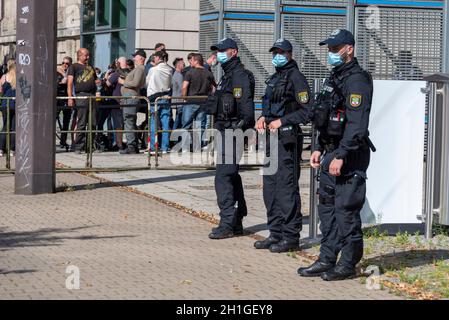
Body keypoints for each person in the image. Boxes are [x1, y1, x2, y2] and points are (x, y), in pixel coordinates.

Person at [297, 29, 375, 281]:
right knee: (327, 209)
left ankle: (349, 263)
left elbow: (356, 124)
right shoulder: (335, 77)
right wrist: (318, 147)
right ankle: (327, 257)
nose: (330, 53)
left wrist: (341, 154)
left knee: (346, 211)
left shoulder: (357, 80)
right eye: (329, 49)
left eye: (334, 49)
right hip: (330, 151)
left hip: (349, 154)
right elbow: (324, 116)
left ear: (349, 49)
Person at [254, 39, 312, 253]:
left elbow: (307, 111)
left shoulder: (296, 77)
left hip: (287, 139)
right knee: (270, 186)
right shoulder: (275, 77)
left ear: (289, 54)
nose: (276, 56)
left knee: (286, 188)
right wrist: (263, 117)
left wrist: (283, 121)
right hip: (271, 138)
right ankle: (275, 233)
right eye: (274, 52)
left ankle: (290, 237)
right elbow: (272, 106)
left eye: (281, 52)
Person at [204, 38, 255, 239]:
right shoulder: (228, 75)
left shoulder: (239, 76)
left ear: (233, 52)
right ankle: (237, 221)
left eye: (222, 51)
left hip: (233, 132)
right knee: (231, 176)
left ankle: (227, 223)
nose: (219, 54)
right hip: (226, 131)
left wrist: (242, 131)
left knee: (223, 177)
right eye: (217, 51)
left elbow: (246, 110)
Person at [67, 48, 99, 153]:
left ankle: (89, 146)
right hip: (81, 96)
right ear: (79, 55)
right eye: (86, 55)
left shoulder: (90, 67)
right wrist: (70, 97)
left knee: (93, 122)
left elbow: (95, 80)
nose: (88, 57)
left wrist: (98, 83)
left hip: (92, 96)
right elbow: (70, 83)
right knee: (81, 122)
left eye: (88, 55)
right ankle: (78, 146)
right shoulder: (74, 67)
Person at [181, 53, 215, 151]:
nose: (190, 62)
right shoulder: (208, 73)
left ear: (196, 61)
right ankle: (197, 147)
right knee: (199, 125)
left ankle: (185, 148)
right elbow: (214, 87)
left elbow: (184, 87)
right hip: (204, 102)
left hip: (190, 101)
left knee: (186, 125)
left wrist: (184, 97)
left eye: (192, 60)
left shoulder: (190, 73)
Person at [118, 49, 147, 154]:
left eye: (136, 56)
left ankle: (131, 147)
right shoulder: (138, 69)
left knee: (129, 121)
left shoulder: (139, 69)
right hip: (129, 97)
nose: (134, 58)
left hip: (131, 97)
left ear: (141, 58)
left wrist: (123, 82)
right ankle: (133, 145)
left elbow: (135, 83)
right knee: (130, 121)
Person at [146, 50, 173, 154]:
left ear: (157, 58)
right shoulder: (170, 69)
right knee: (166, 122)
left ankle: (153, 147)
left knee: (153, 122)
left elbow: (147, 82)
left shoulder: (153, 69)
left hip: (154, 97)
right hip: (166, 96)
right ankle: (165, 147)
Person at [105, 57, 129, 151]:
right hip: (127, 101)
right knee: (125, 123)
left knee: (117, 124)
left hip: (117, 102)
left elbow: (107, 84)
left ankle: (119, 144)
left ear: (118, 64)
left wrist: (106, 75)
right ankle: (125, 142)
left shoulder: (116, 74)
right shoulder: (130, 73)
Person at [0, 59, 16, 157]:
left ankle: (1, 149)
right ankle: (11, 150)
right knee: (13, 127)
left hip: (5, 104)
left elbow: (0, 90)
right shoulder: (19, 77)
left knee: (5, 126)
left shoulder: (4, 77)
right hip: (15, 104)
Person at [56, 56, 73, 149]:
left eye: (67, 63)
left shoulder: (70, 73)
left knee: (66, 121)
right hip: (58, 98)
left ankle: (63, 140)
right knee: (54, 118)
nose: (64, 65)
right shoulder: (57, 72)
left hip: (67, 98)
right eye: (63, 63)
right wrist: (61, 81)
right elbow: (55, 83)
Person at [172, 57, 185, 130]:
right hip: (179, 101)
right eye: (183, 64)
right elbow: (182, 88)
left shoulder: (175, 74)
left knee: (178, 118)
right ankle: (174, 136)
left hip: (177, 100)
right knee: (178, 119)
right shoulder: (179, 75)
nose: (184, 65)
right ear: (179, 65)